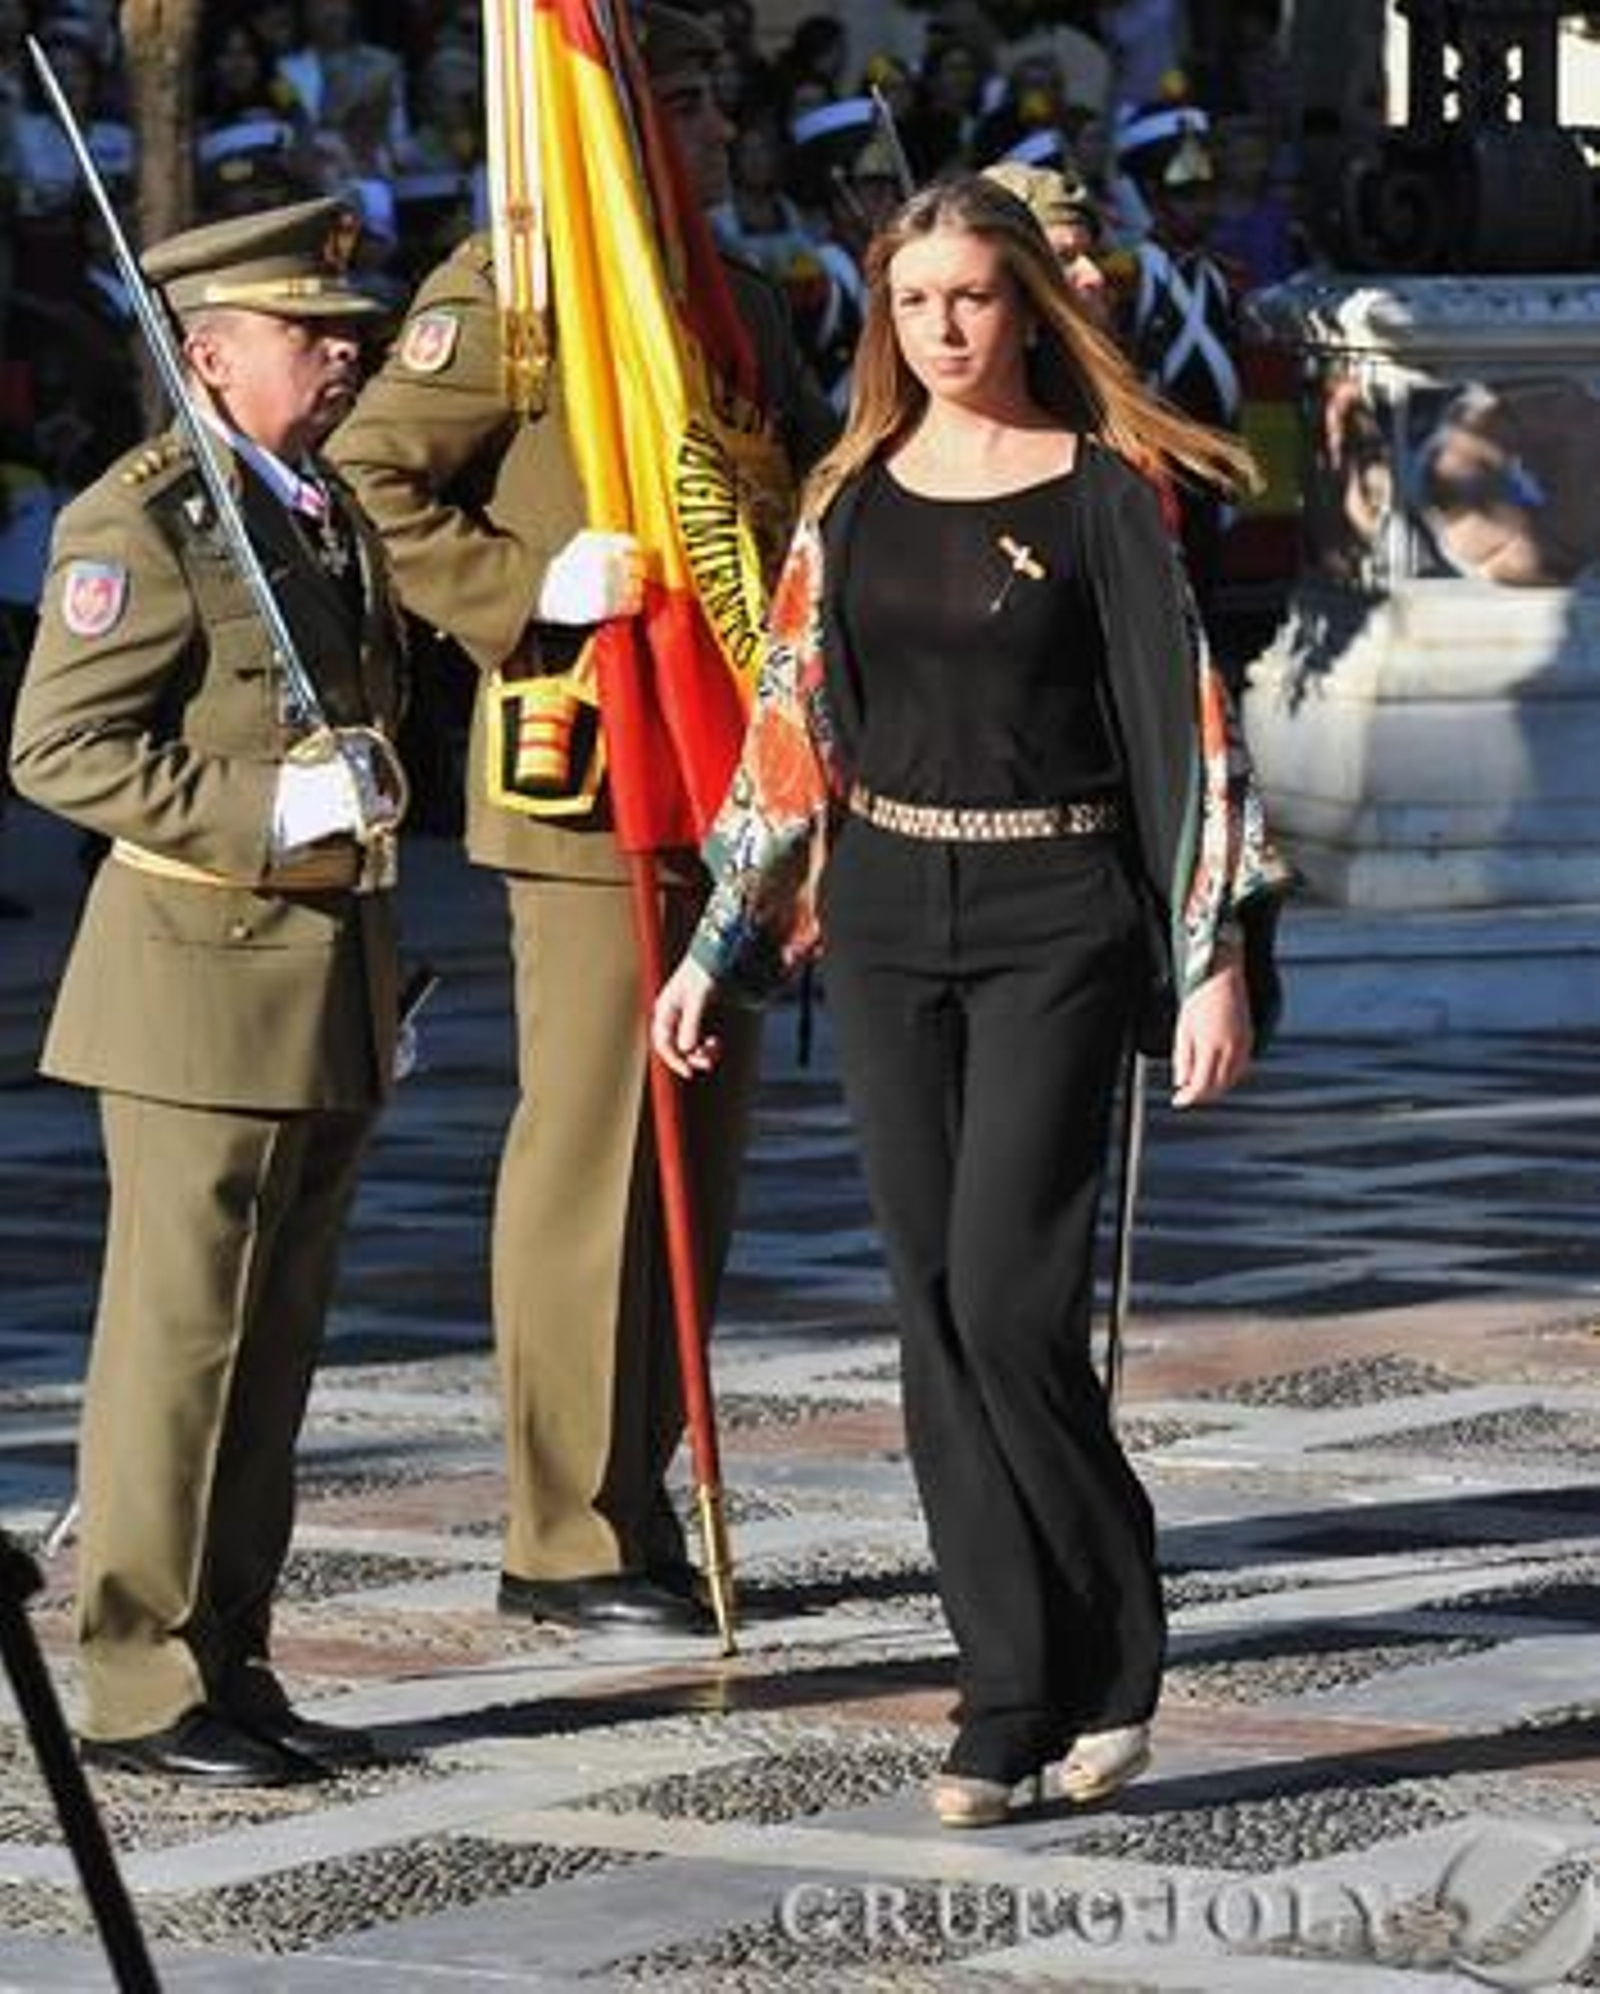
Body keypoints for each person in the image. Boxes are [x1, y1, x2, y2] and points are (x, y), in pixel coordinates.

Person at [654, 174, 1285, 1826]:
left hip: (1055, 918)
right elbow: (793, 731)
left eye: (973, 298)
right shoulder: (851, 497)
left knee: (1012, 1303)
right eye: (914, 302)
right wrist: (722, 943)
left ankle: (1115, 1640)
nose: (944, 329)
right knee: (934, 1320)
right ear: (886, 319)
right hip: (881, 928)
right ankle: (1004, 1690)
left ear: (1029, 308)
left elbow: (1188, 731)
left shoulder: (1101, 494)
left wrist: (1209, 946)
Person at [328, 5, 833, 1637]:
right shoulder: (522, 293)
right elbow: (369, 476)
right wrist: (521, 590)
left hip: (730, 774)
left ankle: (640, 1491)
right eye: (672, 93)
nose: (702, 122)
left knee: (700, 1152)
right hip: (593, 763)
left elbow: (799, 493)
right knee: (595, 1153)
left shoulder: (735, 301)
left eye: (707, 96)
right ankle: (560, 1531)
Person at [9, 197, 408, 1786]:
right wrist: (265, 814)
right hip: (195, 981)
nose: (343, 352)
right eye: (311, 334)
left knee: (276, 1346)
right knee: (179, 1349)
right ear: (209, 355)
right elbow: (57, 747)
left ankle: (230, 1649)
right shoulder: (144, 520)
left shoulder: (310, 504)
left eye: (345, 330)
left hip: (322, 979)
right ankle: (135, 1681)